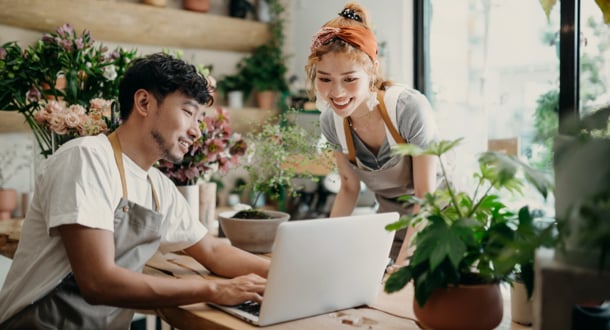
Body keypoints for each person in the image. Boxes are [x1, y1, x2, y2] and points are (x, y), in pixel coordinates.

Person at [0, 53, 269, 329]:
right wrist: (213, 291)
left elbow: (212, 250)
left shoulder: (156, 184)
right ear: (143, 102)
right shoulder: (86, 158)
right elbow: (98, 282)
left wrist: (283, 273)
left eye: (200, 119)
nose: (196, 131)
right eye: (188, 113)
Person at [305, 3, 452, 272]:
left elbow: (425, 197)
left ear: (371, 70)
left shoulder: (408, 109)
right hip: (394, 229)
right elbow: (349, 188)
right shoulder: (332, 121)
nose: (336, 93)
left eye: (349, 79)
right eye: (325, 79)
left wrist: (404, 264)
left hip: (441, 225)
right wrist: (324, 248)